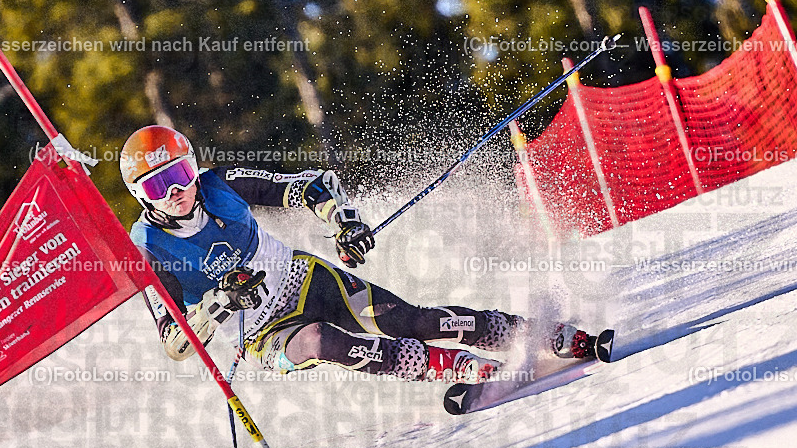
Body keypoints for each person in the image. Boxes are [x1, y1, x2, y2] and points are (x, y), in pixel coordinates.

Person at [122, 125, 606, 384]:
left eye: (181, 174)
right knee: (319, 341)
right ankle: (446, 366)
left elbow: (308, 187)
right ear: (141, 195)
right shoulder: (148, 247)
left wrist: (343, 222)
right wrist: (221, 300)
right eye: (158, 186)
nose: (177, 192)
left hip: (302, 278)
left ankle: (537, 332)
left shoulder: (218, 184)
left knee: (411, 319)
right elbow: (176, 345)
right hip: (263, 333)